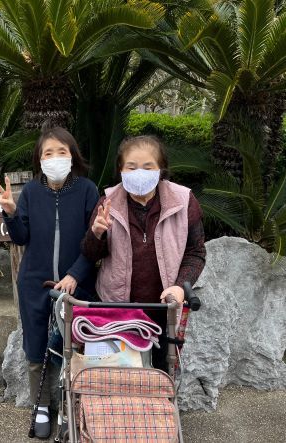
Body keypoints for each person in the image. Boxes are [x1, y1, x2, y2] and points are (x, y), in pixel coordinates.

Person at [0, 124, 99, 439]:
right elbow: (21, 237)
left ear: (72, 156)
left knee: (76, 345)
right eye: (48, 153)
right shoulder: (31, 192)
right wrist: (11, 213)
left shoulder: (87, 190)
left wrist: (75, 275)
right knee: (36, 345)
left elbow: (94, 243)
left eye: (61, 152)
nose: (55, 158)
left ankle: (73, 404)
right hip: (33, 282)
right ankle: (41, 406)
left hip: (75, 284)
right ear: (39, 159)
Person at [81, 135, 206, 370]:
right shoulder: (107, 202)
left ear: (161, 169)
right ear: (120, 169)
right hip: (117, 308)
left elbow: (196, 251)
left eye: (148, 167)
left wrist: (180, 286)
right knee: (119, 376)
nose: (139, 172)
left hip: (164, 310)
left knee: (161, 374)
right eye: (131, 167)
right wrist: (96, 233)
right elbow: (90, 255)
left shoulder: (183, 200)